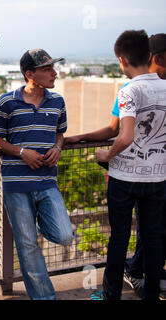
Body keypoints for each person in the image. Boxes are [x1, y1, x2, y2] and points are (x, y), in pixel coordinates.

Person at [65, 33, 166, 298]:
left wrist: (106, 155)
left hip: (125, 177)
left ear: (122, 60)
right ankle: (152, 295)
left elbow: (124, 136)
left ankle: (111, 295)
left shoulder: (129, 91)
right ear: (149, 56)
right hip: (157, 177)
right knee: (154, 238)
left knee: (119, 238)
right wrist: (82, 136)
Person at [0, 49, 74, 300]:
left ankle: (34, 222)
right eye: (47, 69)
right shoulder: (7, 102)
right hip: (16, 184)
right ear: (30, 74)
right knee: (27, 246)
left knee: (64, 234)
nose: (54, 73)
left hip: (47, 180)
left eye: (52, 68)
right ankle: (45, 297)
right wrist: (22, 152)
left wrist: (58, 147)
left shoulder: (57, 101)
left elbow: (60, 132)